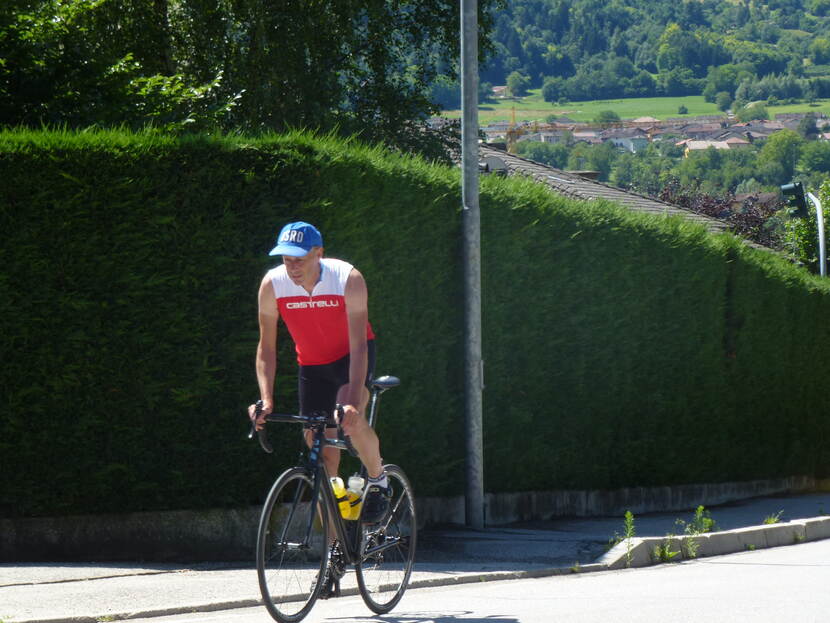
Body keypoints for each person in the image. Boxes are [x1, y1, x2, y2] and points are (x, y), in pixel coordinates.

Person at [248, 221, 390, 523]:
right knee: (321, 455)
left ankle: (378, 480)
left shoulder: (347, 278)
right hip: (311, 365)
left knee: (349, 419)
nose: (292, 266)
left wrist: (352, 399)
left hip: (350, 357)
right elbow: (267, 348)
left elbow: (359, 345)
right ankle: (335, 550)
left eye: (299, 259)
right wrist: (266, 399)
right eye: (286, 260)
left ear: (319, 253)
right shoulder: (272, 284)